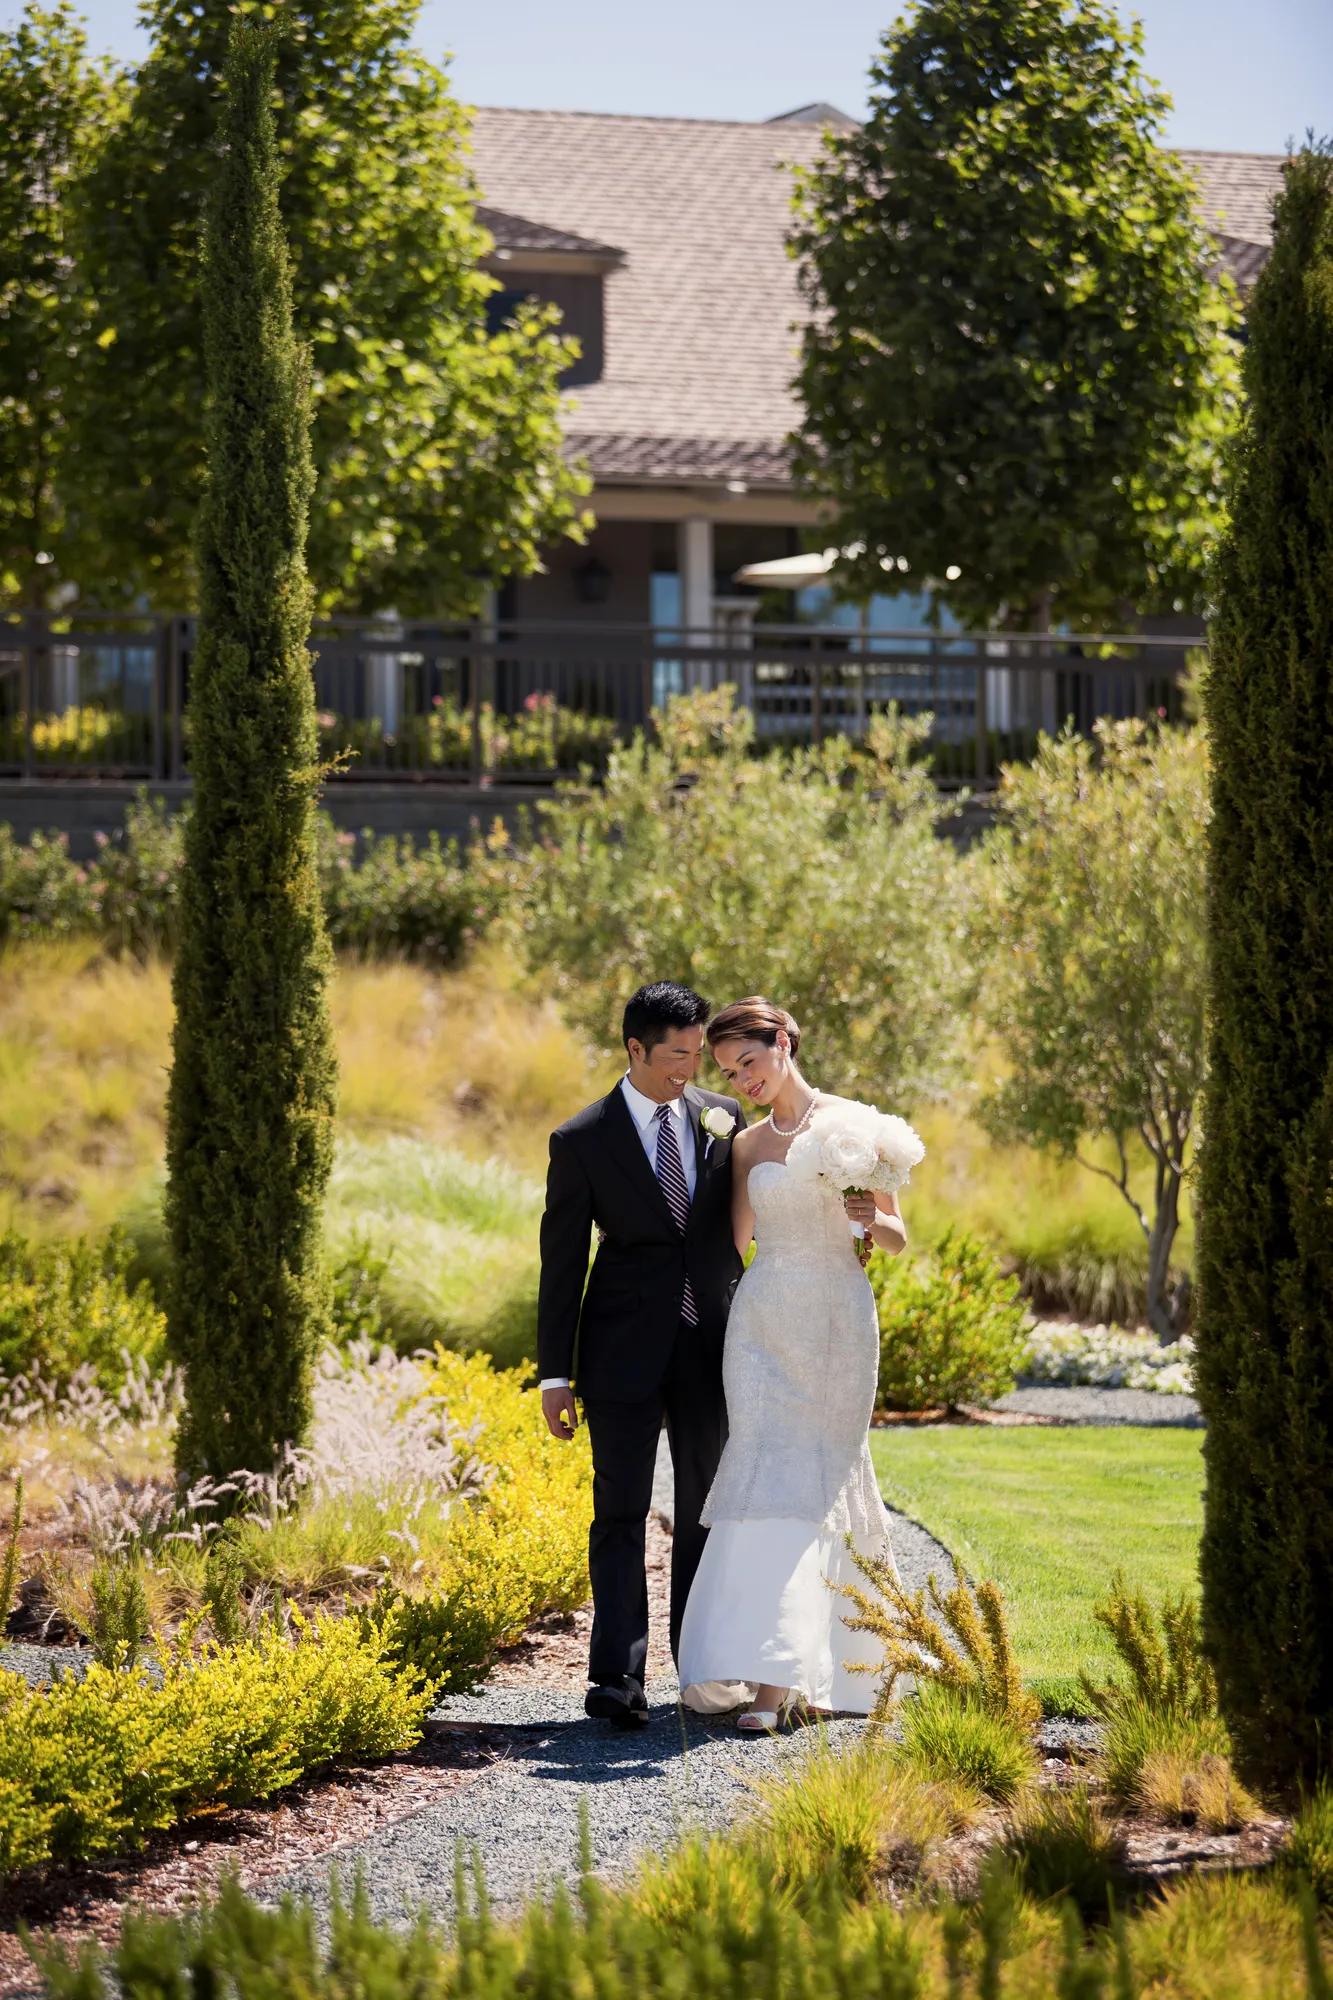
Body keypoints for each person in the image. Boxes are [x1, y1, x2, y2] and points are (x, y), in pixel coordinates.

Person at [677, 996, 907, 1732]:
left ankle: (786, 1680)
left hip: (837, 1317)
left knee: (816, 1474)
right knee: (759, 1465)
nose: (742, 1079)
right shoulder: (743, 1146)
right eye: (728, 1071)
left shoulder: (854, 1126)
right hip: (762, 1322)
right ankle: (757, 1661)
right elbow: (735, 1249)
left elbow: (897, 1236)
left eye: (748, 1061)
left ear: (783, 1042)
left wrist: (869, 1220)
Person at [537, 980, 746, 1729]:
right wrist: (554, 1375)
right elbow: (560, 1264)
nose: (689, 1070)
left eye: (697, 1056)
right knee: (618, 1513)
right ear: (634, 1048)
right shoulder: (581, 1140)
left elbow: (739, 1231)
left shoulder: (722, 1121)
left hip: (708, 1348)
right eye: (675, 1056)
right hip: (618, 1353)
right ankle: (615, 1680)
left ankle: (702, 1669)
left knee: (706, 1511)